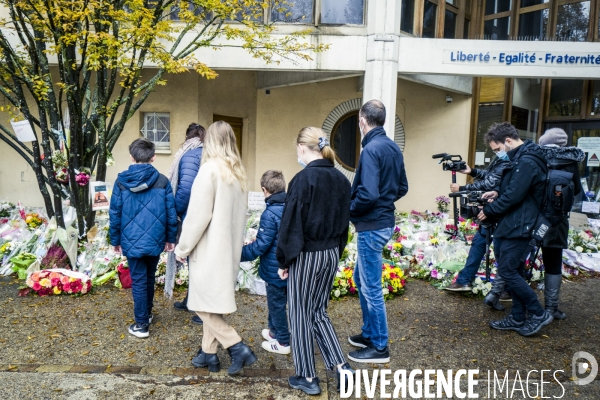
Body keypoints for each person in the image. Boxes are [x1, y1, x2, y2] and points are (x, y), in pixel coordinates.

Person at [174, 121, 256, 375]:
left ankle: (236, 345)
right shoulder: (239, 173)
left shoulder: (209, 170)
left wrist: (182, 248)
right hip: (227, 249)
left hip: (208, 249)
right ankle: (208, 354)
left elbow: (198, 217)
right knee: (210, 304)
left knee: (199, 304)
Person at [277, 127, 354, 395]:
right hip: (331, 251)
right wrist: (337, 250)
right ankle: (342, 367)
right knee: (318, 311)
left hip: (307, 253)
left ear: (301, 147)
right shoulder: (341, 179)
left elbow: (291, 225)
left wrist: (284, 260)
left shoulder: (303, 179)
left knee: (299, 313)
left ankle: (307, 376)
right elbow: (345, 222)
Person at [478, 122, 554, 337]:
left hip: (520, 226)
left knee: (508, 271)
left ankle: (538, 313)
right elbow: (514, 191)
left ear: (508, 141)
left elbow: (514, 196)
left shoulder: (527, 161)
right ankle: (518, 317)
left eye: (497, 149)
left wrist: (490, 210)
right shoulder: (522, 158)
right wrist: (496, 194)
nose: (498, 154)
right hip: (514, 223)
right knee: (515, 271)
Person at [347, 100, 408, 364]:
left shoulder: (371, 150)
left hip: (372, 225)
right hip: (381, 222)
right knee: (362, 281)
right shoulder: (392, 147)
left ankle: (379, 346)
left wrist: (349, 209)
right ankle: (370, 333)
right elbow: (402, 187)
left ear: (363, 120)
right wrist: (385, 201)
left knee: (370, 287)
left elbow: (369, 193)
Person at [109, 138, 178, 338]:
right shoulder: (163, 181)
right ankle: (146, 314)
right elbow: (170, 212)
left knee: (139, 279)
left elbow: (115, 212)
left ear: (131, 156)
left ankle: (141, 325)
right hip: (156, 238)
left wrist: (115, 240)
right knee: (148, 276)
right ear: (153, 157)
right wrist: (170, 238)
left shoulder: (121, 181)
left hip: (131, 238)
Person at [445, 146, 511, 311]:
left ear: (507, 141)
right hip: (492, 209)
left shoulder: (512, 159)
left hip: (502, 211)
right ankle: (464, 280)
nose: (496, 150)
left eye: (497, 147)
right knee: (480, 242)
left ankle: (509, 289)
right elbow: (490, 176)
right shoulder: (501, 158)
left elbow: (491, 182)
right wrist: (472, 171)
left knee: (503, 251)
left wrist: (462, 189)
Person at [241, 170, 290, 355]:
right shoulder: (288, 206)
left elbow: (261, 246)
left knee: (276, 304)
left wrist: (238, 254)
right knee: (275, 301)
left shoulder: (270, 213)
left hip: (274, 267)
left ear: (264, 190)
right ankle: (274, 331)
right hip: (286, 266)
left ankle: (283, 341)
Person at [538, 128, 583, 320]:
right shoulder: (570, 161)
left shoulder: (535, 156)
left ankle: (511, 295)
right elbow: (577, 190)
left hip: (533, 215)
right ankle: (551, 307)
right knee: (553, 259)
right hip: (557, 219)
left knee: (521, 254)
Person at [167, 123, 206, 326]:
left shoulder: (189, 155)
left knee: (197, 261)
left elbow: (185, 188)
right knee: (196, 260)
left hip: (193, 213)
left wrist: (176, 210)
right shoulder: (204, 153)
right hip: (201, 212)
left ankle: (201, 308)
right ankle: (192, 300)